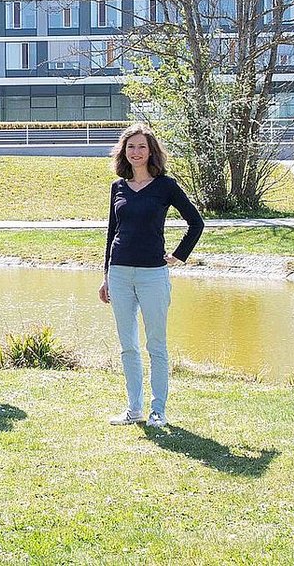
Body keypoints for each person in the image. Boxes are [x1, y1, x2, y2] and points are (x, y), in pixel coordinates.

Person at [100, 123, 203, 428]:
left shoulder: (165, 186)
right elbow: (111, 233)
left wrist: (177, 256)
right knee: (128, 345)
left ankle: (158, 410)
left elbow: (195, 223)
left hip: (153, 276)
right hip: (119, 273)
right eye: (130, 146)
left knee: (155, 346)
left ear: (151, 151)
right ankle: (134, 409)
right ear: (124, 151)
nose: (136, 152)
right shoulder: (117, 187)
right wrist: (105, 275)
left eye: (141, 147)